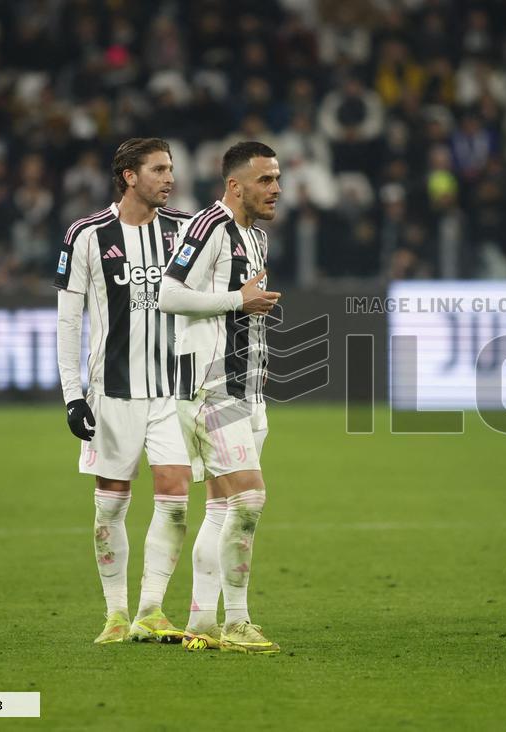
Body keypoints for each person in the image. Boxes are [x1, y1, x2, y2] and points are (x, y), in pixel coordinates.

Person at [55, 138, 194, 645]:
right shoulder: (87, 234)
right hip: (112, 393)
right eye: (159, 169)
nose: (169, 178)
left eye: (171, 169)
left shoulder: (184, 231)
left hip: (174, 392)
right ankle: (115, 614)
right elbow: (68, 322)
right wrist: (73, 395)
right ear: (129, 176)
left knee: (176, 500)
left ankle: (151, 609)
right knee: (110, 506)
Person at [158, 141, 282, 654]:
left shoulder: (257, 239)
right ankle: (238, 622)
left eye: (277, 179)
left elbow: (241, 309)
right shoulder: (206, 227)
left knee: (222, 507)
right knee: (250, 497)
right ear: (235, 185)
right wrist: (238, 299)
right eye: (264, 181)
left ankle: (202, 622)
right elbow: (167, 293)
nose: (275, 189)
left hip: (248, 386)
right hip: (210, 386)